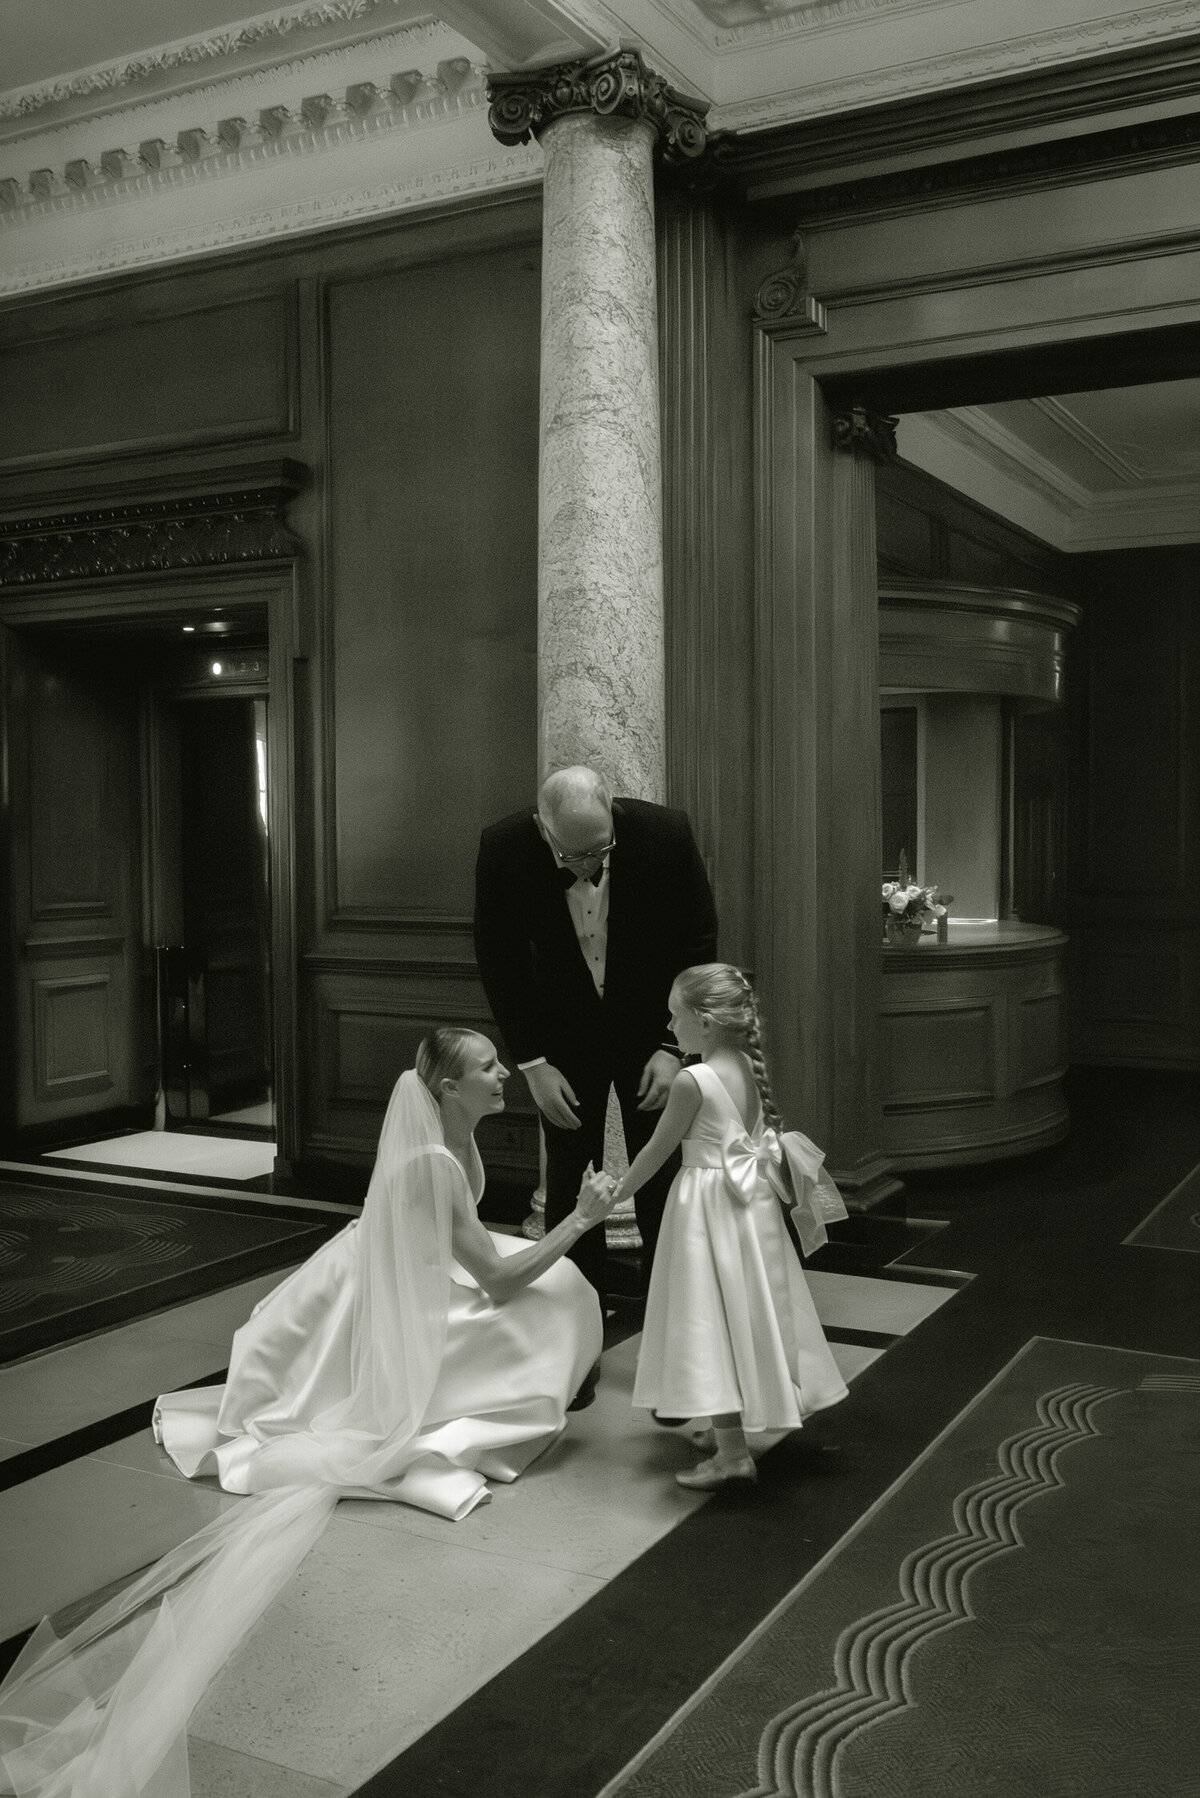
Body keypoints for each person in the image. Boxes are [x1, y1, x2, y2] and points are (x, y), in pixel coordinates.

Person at [0, 1031, 616, 1798]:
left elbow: (463, 1253)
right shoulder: (431, 1158)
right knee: (560, 1295)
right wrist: (580, 1221)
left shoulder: (454, 1133)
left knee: (562, 1294)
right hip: (384, 1300)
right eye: (487, 1067)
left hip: (406, 1274)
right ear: (450, 1089)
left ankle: (511, 1395)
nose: (503, 1075)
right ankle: (494, 1414)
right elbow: (490, 1279)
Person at [473, 766, 718, 1307]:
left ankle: (673, 1321)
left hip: (652, 1034)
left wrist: (674, 1046)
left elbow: (698, 941)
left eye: (601, 850)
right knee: (569, 1182)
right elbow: (500, 961)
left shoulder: (665, 834)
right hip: (562, 1042)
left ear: (615, 815)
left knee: (662, 1178)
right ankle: (574, 1328)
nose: (589, 866)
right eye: (573, 855)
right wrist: (534, 1064)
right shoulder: (504, 847)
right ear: (543, 828)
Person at [608, 963, 850, 1490]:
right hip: (751, 1204)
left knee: (707, 1318)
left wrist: (615, 1193)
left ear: (704, 1021)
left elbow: (656, 1150)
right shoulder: (745, 1063)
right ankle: (728, 1429)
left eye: (675, 1017)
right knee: (745, 1311)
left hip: (706, 1206)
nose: (670, 1029)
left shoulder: (694, 1080)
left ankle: (733, 1455)